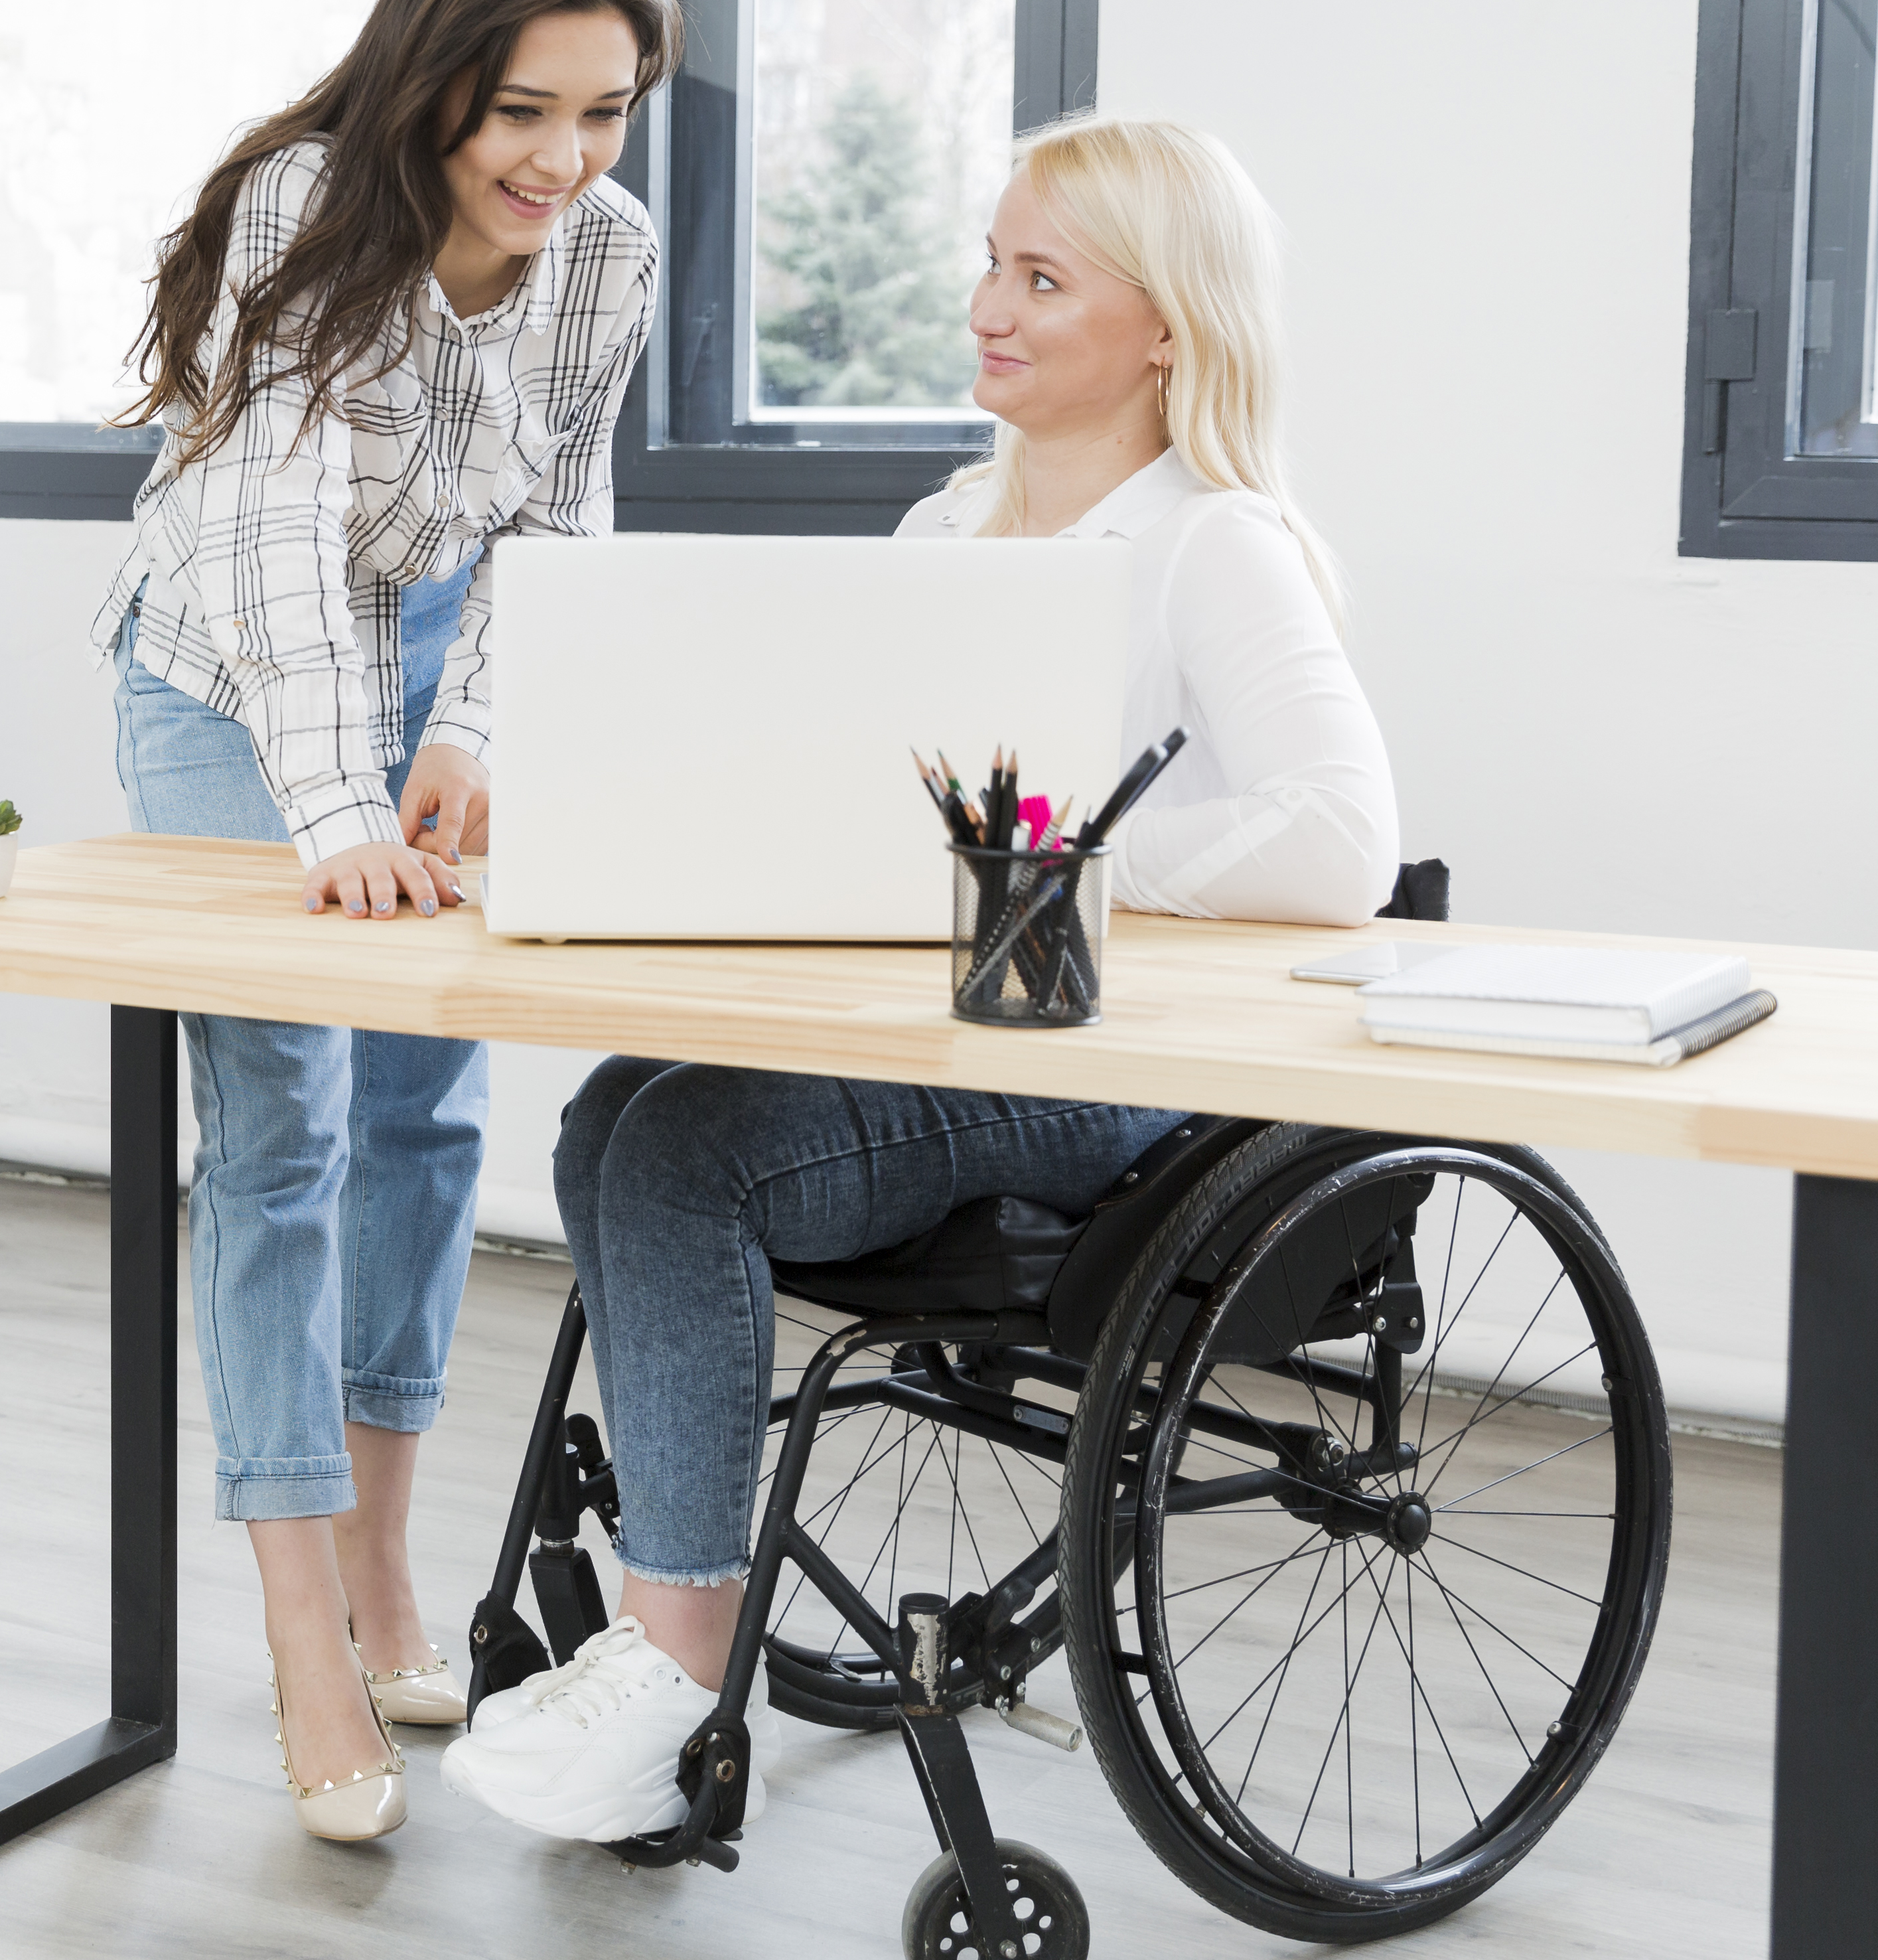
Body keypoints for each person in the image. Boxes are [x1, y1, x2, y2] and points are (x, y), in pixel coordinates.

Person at [441, 115, 1400, 1844]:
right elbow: (851, 802)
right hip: (950, 1051)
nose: (985, 304)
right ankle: (681, 1596)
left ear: (1166, 324)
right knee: (611, 1115)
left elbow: (1338, 835)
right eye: (987, 261)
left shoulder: (1208, 542)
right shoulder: (945, 526)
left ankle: (669, 1659)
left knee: (677, 1153)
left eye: (1040, 276)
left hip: (1113, 1088)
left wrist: (1047, 879)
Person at [94, 0, 677, 1842]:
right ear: (434, 81)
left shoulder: (603, 248)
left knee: (431, 1109)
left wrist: (475, 731)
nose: (562, 158)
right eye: (523, 110)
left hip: (429, 636)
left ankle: (382, 1559)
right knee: (281, 1125)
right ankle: (295, 1623)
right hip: (221, 669)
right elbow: (263, 547)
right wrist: (337, 814)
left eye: (599, 112)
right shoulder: (302, 206)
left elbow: (559, 520)